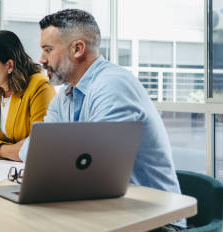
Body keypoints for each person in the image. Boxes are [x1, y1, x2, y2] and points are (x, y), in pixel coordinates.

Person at [18, 9, 185, 229]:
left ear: (78, 49)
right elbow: (31, 152)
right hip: (106, 212)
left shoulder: (112, 85)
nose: (41, 59)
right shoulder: (65, 97)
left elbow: (96, 173)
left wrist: (57, 154)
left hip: (153, 222)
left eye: (48, 50)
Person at [0, 30, 56, 161]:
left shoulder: (40, 87)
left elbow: (39, 144)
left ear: (9, 65)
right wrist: (8, 151)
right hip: (1, 168)